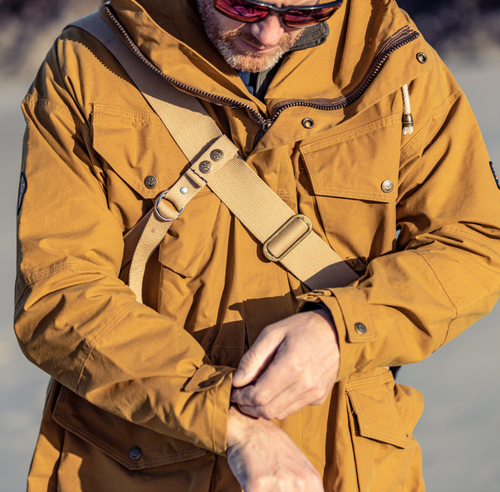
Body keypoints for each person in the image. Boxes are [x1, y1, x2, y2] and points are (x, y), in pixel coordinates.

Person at [14, 0, 500, 491]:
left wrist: (341, 330)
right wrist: (226, 418)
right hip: (139, 463)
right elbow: (59, 291)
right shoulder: (91, 61)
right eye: (242, 5)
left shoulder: (390, 54)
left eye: (304, 14)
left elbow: (477, 241)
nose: (268, 35)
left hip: (347, 465)